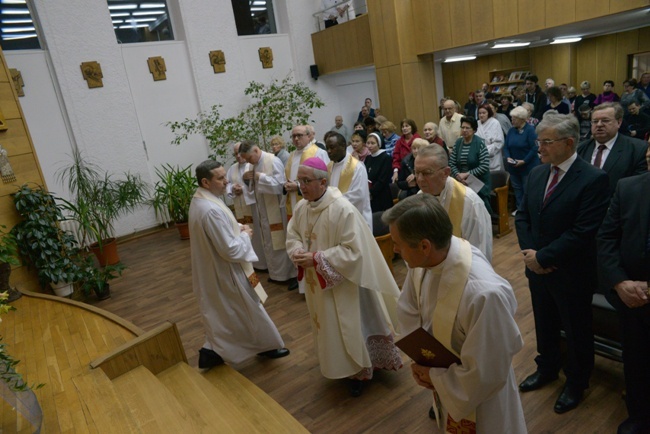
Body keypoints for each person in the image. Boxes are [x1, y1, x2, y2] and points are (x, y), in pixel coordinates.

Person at [383, 194, 526, 433]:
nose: (395, 249)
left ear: (425, 246)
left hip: (484, 400)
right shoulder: (429, 261)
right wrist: (422, 359)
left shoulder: (483, 294)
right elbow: (409, 308)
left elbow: (488, 371)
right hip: (445, 374)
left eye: (398, 243)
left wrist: (436, 376)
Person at [515, 112, 610, 414]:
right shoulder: (537, 173)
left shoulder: (594, 179)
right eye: (538, 141)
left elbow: (584, 231)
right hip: (537, 268)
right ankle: (547, 368)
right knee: (543, 322)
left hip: (571, 272)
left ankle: (576, 382)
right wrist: (532, 255)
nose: (539, 148)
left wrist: (544, 257)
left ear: (569, 143)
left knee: (576, 327)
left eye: (546, 142)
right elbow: (523, 217)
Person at [286, 157, 402, 397]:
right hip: (317, 283)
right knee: (327, 324)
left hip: (347, 283)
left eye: (306, 181)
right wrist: (297, 251)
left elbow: (354, 251)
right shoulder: (301, 207)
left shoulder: (342, 208)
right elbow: (294, 233)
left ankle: (361, 369)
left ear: (323, 182)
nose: (302, 187)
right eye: (299, 181)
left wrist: (317, 259)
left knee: (353, 324)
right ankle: (339, 364)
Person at [189, 160, 290, 368]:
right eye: (220, 178)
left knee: (225, 314)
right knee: (248, 308)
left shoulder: (203, 200)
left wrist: (238, 228)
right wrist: (245, 235)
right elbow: (230, 249)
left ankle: (212, 352)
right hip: (226, 271)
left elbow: (223, 229)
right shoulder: (210, 209)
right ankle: (264, 346)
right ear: (206, 182)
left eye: (225, 175)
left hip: (215, 270)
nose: (226, 180)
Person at [597, 167, 650, 434]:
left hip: (642, 292)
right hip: (631, 298)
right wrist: (619, 281)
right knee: (636, 359)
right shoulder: (627, 187)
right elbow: (606, 238)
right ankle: (639, 415)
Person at [414, 144, 492, 261]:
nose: (419, 179)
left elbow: (479, 253)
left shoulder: (470, 203)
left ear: (446, 172)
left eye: (426, 173)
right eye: (416, 172)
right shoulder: (419, 198)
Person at [238, 141, 298, 290]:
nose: (247, 162)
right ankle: (276, 274)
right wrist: (248, 179)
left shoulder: (273, 160)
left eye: (249, 158)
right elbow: (254, 187)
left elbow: (280, 185)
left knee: (280, 241)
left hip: (276, 210)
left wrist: (260, 176)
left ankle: (289, 275)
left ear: (256, 151)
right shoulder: (253, 164)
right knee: (269, 242)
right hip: (263, 210)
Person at [577, 102, 647, 195]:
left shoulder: (638, 149)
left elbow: (639, 187)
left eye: (605, 120)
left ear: (619, 122)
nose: (599, 125)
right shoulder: (580, 148)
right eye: (595, 121)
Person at [325, 132, 372, 229]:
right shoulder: (329, 167)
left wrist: (330, 203)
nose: (329, 151)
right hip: (334, 217)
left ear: (343, 146)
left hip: (354, 219)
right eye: (327, 148)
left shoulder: (357, 167)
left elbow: (358, 195)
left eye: (332, 147)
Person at [283, 125, 329, 218]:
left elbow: (325, 179)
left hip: (312, 202)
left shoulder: (319, 153)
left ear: (309, 136)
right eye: (293, 136)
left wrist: (298, 187)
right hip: (292, 200)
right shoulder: (292, 155)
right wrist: (285, 185)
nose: (296, 138)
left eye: (299, 135)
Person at [449, 116, 492, 214]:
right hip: (460, 180)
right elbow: (451, 162)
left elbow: (484, 166)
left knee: (479, 207)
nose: (464, 130)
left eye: (467, 128)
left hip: (478, 181)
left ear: (474, 130)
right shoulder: (458, 142)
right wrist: (458, 175)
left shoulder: (480, 143)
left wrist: (467, 175)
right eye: (462, 127)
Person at [504, 106, 540, 211]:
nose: (512, 120)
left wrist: (524, 161)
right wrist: (508, 157)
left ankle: (528, 211)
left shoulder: (530, 130)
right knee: (517, 189)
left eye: (514, 118)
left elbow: (535, 148)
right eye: (512, 118)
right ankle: (520, 210)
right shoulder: (511, 130)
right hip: (513, 167)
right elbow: (506, 146)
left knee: (527, 190)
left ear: (522, 119)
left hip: (528, 167)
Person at [365, 132, 393, 212]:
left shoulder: (386, 158)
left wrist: (371, 192)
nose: (369, 146)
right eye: (368, 143)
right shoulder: (368, 158)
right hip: (370, 195)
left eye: (373, 143)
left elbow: (383, 180)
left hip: (382, 195)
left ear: (379, 144)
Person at [226, 142, 253, 226]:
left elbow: (258, 185)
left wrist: (243, 189)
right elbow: (227, 183)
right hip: (239, 205)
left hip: (251, 205)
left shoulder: (252, 165)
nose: (238, 156)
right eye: (235, 154)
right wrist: (232, 188)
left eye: (239, 152)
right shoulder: (232, 168)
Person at [476, 104, 505, 171]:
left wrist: (484, 151)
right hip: (478, 157)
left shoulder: (495, 123)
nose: (481, 115)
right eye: (479, 113)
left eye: (484, 113)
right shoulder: (477, 123)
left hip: (492, 157)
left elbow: (499, 142)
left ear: (488, 113)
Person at [391, 118, 420, 183]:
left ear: (412, 127)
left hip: (416, 171)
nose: (404, 128)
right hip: (403, 171)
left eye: (407, 126)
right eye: (403, 126)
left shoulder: (418, 140)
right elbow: (396, 158)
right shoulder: (399, 142)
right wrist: (395, 171)